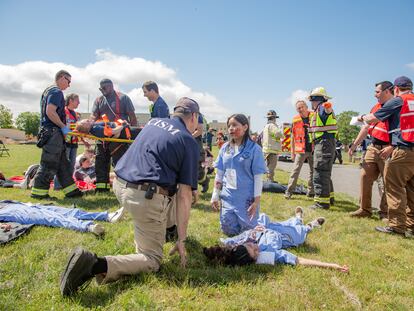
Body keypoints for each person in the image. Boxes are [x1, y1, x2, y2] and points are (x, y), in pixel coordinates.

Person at [60, 97, 200, 297]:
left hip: (121, 185)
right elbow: (186, 194)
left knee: (171, 192)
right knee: (152, 260)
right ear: (193, 117)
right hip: (144, 198)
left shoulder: (153, 123)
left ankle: (167, 229)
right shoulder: (188, 140)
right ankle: (94, 264)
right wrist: (183, 240)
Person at [204, 207, 348, 272]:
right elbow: (300, 261)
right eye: (255, 254)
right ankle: (309, 225)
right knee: (298, 235)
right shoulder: (269, 253)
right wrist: (332, 265)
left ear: (244, 244)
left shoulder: (237, 243)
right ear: (254, 259)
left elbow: (223, 245)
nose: (257, 249)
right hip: (283, 236)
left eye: (251, 246)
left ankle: (298, 219)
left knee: (266, 221)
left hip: (271, 226)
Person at [360, 76, 414, 237]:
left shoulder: (399, 100)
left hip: (404, 150)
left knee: (394, 187)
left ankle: (397, 226)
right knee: (412, 189)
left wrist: (362, 117)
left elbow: (373, 118)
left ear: (395, 89)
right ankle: (411, 225)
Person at [211, 114, 267, 236]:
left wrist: (256, 202)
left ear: (245, 127)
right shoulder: (225, 148)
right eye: (229, 126)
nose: (231, 128)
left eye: (235, 125)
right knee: (228, 230)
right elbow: (219, 173)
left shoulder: (254, 149)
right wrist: (215, 195)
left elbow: (258, 178)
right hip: (228, 197)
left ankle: (265, 222)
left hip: (246, 199)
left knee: (249, 233)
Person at [31, 70, 83, 199]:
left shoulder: (48, 90)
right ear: (61, 77)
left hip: (52, 132)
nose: (69, 85)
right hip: (53, 132)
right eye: (68, 81)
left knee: (62, 164)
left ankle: (71, 191)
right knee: (49, 163)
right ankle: (39, 193)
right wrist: (63, 126)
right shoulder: (56, 92)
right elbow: (50, 112)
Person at [348, 81, 394, 219]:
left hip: (388, 148)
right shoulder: (376, 107)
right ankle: (364, 209)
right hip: (373, 147)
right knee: (365, 176)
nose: (375, 95)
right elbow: (365, 127)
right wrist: (355, 145)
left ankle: (385, 213)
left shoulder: (396, 107)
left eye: (377, 92)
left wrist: (392, 147)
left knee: (387, 182)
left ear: (388, 91)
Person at [91, 79, 137, 192]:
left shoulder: (123, 98)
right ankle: (102, 188)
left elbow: (133, 117)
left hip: (119, 137)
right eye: (100, 89)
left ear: (111, 86)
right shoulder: (98, 100)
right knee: (100, 162)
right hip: (102, 136)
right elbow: (93, 116)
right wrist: (88, 126)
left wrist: (129, 134)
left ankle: (123, 188)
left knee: (120, 162)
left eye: (104, 88)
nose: (102, 91)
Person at [0, 200, 124, 236]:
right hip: (9, 211)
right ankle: (88, 226)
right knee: (50, 218)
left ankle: (107, 216)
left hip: (15, 204)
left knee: (69, 211)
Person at [307, 87, 337, 209]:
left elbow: (328, 110)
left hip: (324, 144)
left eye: (312, 100)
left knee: (320, 173)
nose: (311, 103)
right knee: (325, 173)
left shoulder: (323, 108)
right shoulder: (318, 110)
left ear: (317, 99)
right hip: (325, 143)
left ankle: (321, 203)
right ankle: (329, 198)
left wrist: (327, 107)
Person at [54, 93, 90, 190]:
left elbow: (79, 129)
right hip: (65, 143)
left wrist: (83, 140)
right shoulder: (63, 112)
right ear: (71, 100)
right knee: (62, 165)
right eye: (77, 101)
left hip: (74, 143)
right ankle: (57, 185)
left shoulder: (76, 114)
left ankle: (67, 185)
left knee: (71, 165)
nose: (79, 103)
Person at [285, 100, 314, 199]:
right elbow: (292, 137)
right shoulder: (295, 119)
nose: (300, 109)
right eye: (298, 108)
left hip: (314, 149)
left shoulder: (314, 116)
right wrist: (292, 152)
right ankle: (289, 191)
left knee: (313, 171)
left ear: (306, 107)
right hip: (301, 150)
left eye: (302, 107)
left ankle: (311, 191)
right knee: (295, 171)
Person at [262, 110, 283, 182]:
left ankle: (269, 179)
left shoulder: (266, 126)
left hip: (267, 149)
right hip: (272, 149)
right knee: (272, 166)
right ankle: (270, 180)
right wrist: (282, 135)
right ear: (274, 118)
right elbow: (278, 133)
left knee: (269, 165)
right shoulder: (272, 126)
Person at [75, 118, 141, 140]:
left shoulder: (94, 127)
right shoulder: (95, 129)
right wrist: (123, 125)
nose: (88, 119)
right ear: (86, 127)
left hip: (125, 131)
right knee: (144, 132)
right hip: (126, 132)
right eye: (86, 121)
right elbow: (113, 131)